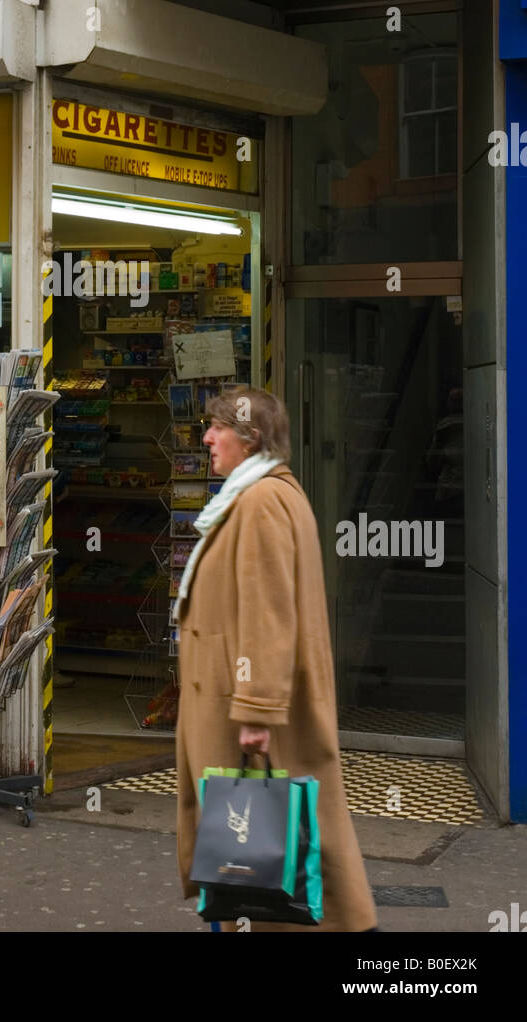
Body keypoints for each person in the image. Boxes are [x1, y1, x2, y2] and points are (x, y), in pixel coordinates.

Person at [174, 385, 377, 933]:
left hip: (251, 715)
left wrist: (257, 709)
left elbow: (268, 612)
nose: (208, 438)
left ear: (250, 438)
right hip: (252, 707)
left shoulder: (261, 501)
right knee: (290, 853)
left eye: (218, 428)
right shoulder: (262, 494)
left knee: (268, 857)